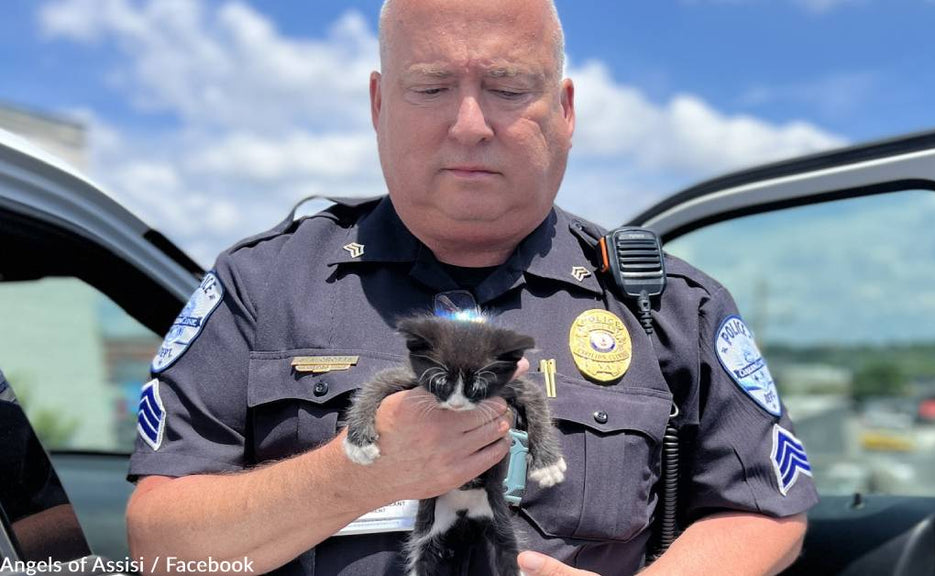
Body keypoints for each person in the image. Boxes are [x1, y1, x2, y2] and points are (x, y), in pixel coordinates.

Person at [125, 1, 818, 574]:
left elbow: (762, 509)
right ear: (378, 105)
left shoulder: (667, 303)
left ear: (566, 110)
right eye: (429, 88)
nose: (469, 126)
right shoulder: (261, 286)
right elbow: (159, 544)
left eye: (510, 88)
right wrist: (356, 473)